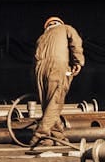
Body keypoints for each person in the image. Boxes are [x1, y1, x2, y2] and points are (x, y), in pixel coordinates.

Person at [29, 16, 85, 151]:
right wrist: (78, 62)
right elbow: (76, 43)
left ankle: (56, 136)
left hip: (39, 70)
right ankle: (40, 135)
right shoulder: (66, 28)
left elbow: (33, 62)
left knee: (47, 104)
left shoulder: (41, 38)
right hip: (57, 66)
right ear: (60, 23)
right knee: (56, 101)